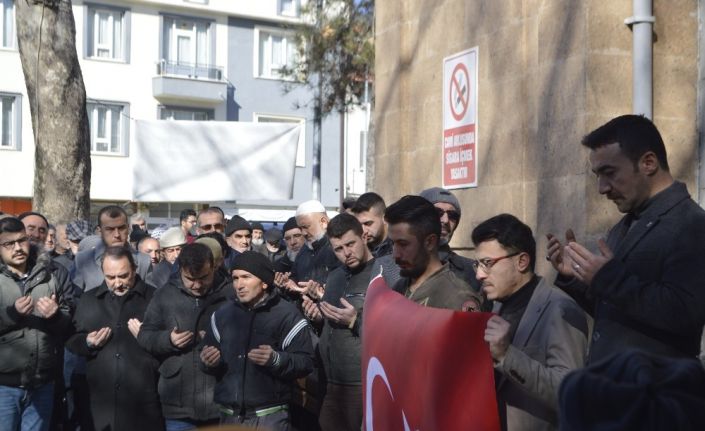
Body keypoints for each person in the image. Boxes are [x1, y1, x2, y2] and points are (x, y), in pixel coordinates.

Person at [546, 114, 705, 363]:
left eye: (609, 172)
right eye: (597, 175)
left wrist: (608, 278)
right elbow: (615, 308)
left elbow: (684, 313)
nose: (602, 188)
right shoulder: (625, 224)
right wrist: (575, 276)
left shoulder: (692, 224)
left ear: (648, 163)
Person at [473, 214, 588, 430]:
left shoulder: (560, 308)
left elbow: (571, 393)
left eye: (487, 263)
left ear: (522, 261)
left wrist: (506, 355)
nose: (479, 274)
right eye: (477, 264)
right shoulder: (498, 304)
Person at [200, 251, 315, 429]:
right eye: (235, 278)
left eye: (246, 277)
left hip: (270, 418)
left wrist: (276, 359)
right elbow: (206, 360)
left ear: (264, 282)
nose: (239, 285)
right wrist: (208, 362)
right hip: (229, 417)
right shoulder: (222, 315)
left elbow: (306, 362)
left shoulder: (287, 315)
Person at [66, 246, 163, 431]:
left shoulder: (155, 297)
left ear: (134, 269)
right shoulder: (89, 300)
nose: (117, 283)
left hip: (143, 400)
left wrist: (150, 337)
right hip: (101, 402)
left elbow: (168, 341)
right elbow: (71, 340)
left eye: (123, 276)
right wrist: (87, 342)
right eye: (110, 277)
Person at [138, 243, 232, 431]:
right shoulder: (165, 294)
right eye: (190, 279)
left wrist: (222, 348)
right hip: (178, 404)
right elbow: (145, 335)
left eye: (204, 278)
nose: (197, 285)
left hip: (221, 401)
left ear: (214, 267)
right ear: (180, 269)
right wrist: (168, 340)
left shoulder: (230, 293)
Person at [301, 213, 374, 431]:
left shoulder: (383, 273)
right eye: (338, 249)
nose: (346, 253)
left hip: (362, 386)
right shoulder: (334, 277)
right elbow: (331, 325)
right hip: (330, 384)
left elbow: (393, 332)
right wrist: (317, 319)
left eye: (350, 244)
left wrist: (355, 320)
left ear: (364, 237)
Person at [0, 217, 72, 431]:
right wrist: (11, 314)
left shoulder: (48, 275)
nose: (18, 248)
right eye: (8, 244)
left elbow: (67, 323)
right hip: (4, 385)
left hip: (42, 382)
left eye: (21, 241)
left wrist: (56, 316)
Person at [386, 195, 481, 311]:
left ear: (430, 242)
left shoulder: (456, 298)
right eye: (393, 243)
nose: (395, 254)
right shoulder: (398, 289)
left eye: (403, 244)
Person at [72, 205, 151, 292]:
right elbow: (75, 298)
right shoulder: (83, 259)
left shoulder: (144, 261)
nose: (117, 235)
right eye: (110, 229)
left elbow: (150, 297)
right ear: (100, 231)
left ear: (128, 228)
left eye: (121, 228)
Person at [419, 187, 481, 293]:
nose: (445, 220)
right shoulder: (391, 267)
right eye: (437, 212)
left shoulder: (472, 271)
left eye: (452, 215)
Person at [292, 200, 340, 285]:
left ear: (323, 222)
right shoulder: (303, 250)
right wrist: (289, 284)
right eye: (300, 228)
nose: (303, 233)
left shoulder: (338, 246)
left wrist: (320, 292)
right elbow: (295, 278)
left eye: (306, 227)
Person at [350, 192, 391, 258]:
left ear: (384, 219)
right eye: (359, 225)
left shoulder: (398, 248)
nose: (364, 231)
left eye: (368, 224)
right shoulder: (356, 249)